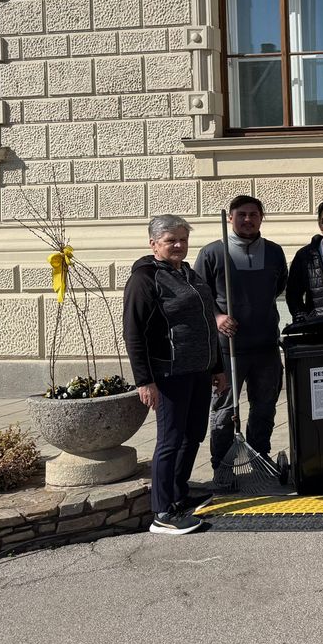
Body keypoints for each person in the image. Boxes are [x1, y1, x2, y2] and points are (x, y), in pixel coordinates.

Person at [123, 215, 228, 536]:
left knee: (193, 434)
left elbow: (207, 323)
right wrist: (144, 381)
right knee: (169, 440)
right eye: (171, 240)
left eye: (183, 239)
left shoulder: (189, 274)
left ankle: (179, 494)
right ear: (154, 244)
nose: (179, 245)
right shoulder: (145, 278)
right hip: (170, 374)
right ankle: (162, 511)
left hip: (199, 371)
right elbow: (134, 333)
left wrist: (217, 367)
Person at [194, 195, 288, 477]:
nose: (248, 220)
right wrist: (217, 316)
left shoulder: (274, 252)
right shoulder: (212, 253)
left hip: (266, 346)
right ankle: (222, 466)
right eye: (241, 214)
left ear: (261, 218)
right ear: (230, 218)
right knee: (224, 411)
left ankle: (260, 457)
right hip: (228, 349)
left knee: (265, 407)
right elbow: (198, 295)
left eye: (253, 214)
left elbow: (278, 286)